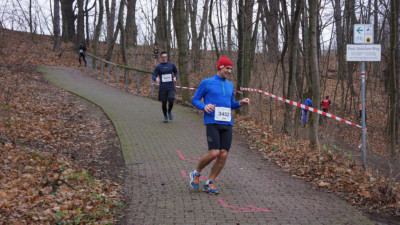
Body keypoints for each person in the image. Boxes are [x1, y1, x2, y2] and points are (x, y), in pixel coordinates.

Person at [189, 56, 250, 194]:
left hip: (227, 123)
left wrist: (240, 103)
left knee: (223, 155)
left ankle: (210, 182)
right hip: (212, 122)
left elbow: (230, 104)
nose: (229, 71)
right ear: (220, 67)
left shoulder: (230, 85)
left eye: (231, 69)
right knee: (214, 153)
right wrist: (204, 107)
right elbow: (195, 99)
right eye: (227, 68)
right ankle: (196, 173)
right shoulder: (207, 82)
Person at [152, 51, 178, 122]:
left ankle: (169, 111)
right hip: (163, 87)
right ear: (161, 57)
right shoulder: (159, 66)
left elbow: (176, 72)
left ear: (167, 57)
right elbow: (154, 75)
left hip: (171, 86)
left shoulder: (171, 65)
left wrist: (175, 77)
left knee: (171, 99)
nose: (164, 58)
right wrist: (156, 78)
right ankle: (165, 116)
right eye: (163, 57)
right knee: (164, 102)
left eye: (165, 57)